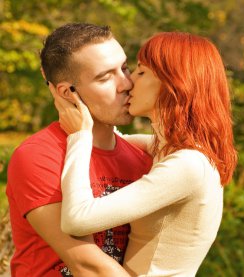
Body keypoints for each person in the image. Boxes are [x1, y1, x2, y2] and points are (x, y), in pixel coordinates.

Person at [51, 31, 238, 276]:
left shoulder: (188, 165)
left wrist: (79, 136)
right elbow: (121, 140)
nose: (128, 82)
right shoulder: (178, 150)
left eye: (140, 72)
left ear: (173, 84)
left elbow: (77, 219)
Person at [6, 23, 152, 277]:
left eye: (125, 68)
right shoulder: (39, 156)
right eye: (105, 77)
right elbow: (88, 266)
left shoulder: (141, 159)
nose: (126, 84)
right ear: (68, 93)